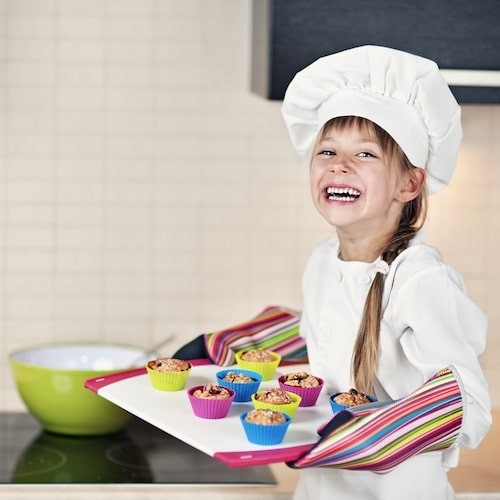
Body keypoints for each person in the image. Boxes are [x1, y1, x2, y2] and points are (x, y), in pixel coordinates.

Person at [281, 45, 492, 499]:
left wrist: (370, 433)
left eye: (365, 155)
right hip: (319, 488)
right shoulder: (322, 262)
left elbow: (470, 409)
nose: (339, 165)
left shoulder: (419, 280)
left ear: (409, 183)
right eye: (327, 150)